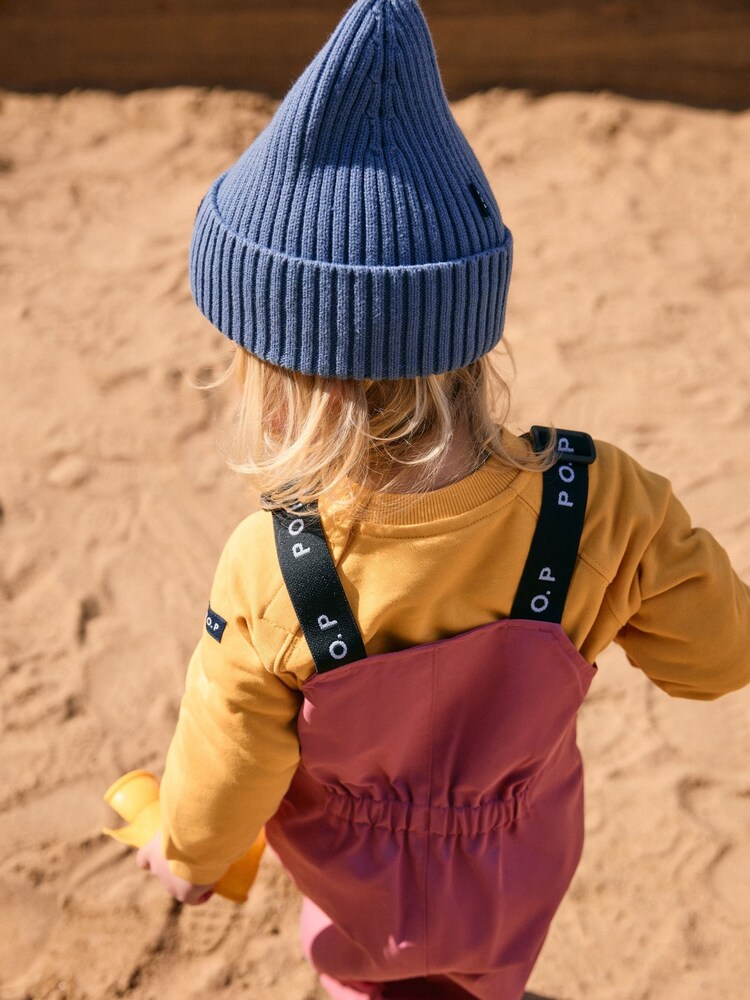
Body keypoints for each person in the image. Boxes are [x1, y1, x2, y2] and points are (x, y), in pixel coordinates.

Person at [133, 1, 750, 997]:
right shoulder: (602, 505)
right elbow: (720, 659)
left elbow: (226, 757)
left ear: (289, 380)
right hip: (518, 873)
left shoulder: (274, 565)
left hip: (361, 895)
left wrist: (191, 855)